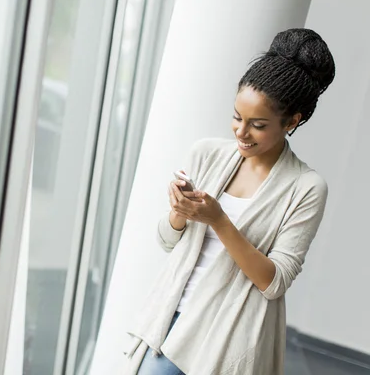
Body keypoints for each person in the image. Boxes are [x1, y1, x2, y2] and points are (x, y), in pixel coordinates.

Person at [123, 28, 335, 375]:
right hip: (171, 313)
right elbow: (166, 240)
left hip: (229, 331)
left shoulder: (306, 188)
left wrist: (219, 220)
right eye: (237, 117)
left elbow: (274, 281)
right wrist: (179, 213)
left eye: (258, 124)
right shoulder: (206, 153)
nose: (241, 131)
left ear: (292, 121)